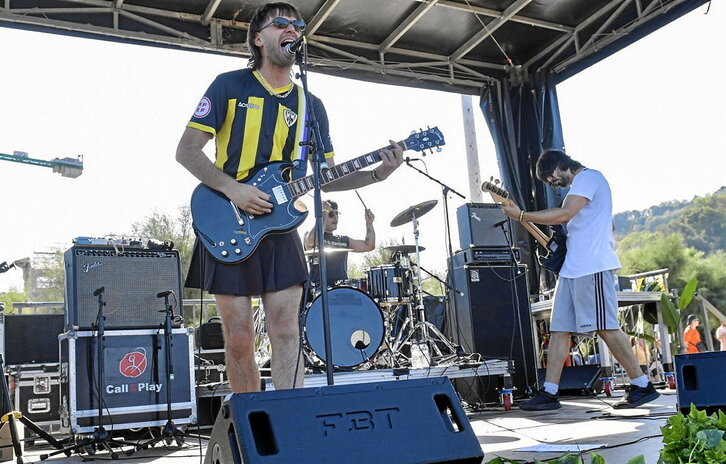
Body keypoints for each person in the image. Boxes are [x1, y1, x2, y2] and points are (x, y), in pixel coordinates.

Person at [176, 2, 403, 393]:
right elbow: (187, 151)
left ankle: (289, 421)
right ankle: (253, 429)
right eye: (280, 23)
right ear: (258, 39)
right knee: (240, 338)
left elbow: (325, 179)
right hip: (228, 219)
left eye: (298, 25)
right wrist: (235, 190)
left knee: (286, 332)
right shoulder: (228, 85)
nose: (293, 30)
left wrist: (380, 173)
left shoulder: (310, 104)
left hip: (281, 230)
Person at [501, 149, 660, 410]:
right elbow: (608, 226)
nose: (554, 185)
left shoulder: (589, 177)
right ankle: (550, 393)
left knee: (606, 326)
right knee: (559, 330)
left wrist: (521, 215)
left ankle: (642, 384)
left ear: (557, 168)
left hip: (592, 267)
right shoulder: (582, 187)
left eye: (551, 180)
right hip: (572, 269)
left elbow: (564, 215)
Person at [303, 199, 375, 285]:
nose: (335, 217)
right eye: (331, 214)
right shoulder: (309, 235)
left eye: (337, 214)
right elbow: (312, 240)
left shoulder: (343, 239)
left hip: (341, 288)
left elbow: (369, 245)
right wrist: (324, 212)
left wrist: (369, 223)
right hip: (319, 289)